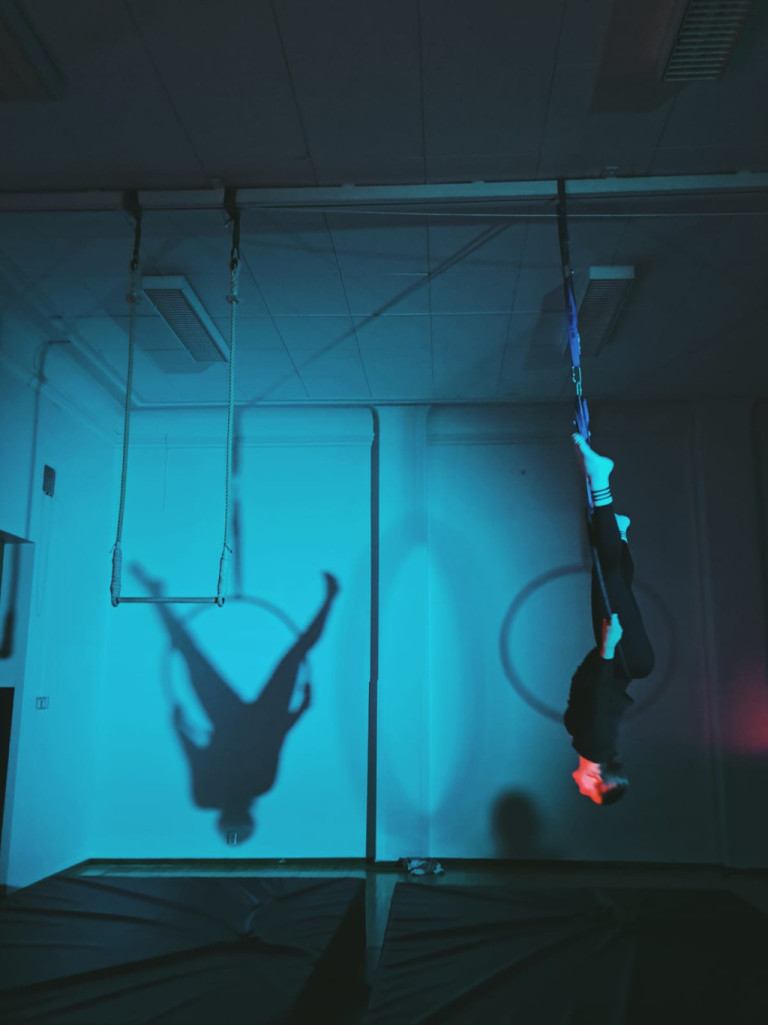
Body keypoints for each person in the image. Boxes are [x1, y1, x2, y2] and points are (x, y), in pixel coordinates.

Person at [131, 564, 339, 840]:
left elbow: (195, 755)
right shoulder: (251, 786)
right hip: (256, 718)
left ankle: (155, 592)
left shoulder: (209, 794)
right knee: (291, 655)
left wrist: (180, 727)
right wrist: (301, 708)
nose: (235, 811)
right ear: (247, 815)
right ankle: (331, 598)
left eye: (232, 816)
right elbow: (275, 737)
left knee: (191, 652)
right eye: (239, 816)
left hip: (229, 719)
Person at [564, 435, 654, 805]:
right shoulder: (595, 745)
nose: (583, 791)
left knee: (615, 583)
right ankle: (601, 479)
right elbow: (600, 700)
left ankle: (620, 531)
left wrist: (603, 654)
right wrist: (607, 649)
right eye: (591, 793)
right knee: (606, 574)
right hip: (619, 656)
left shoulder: (591, 745)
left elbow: (596, 696)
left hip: (627, 660)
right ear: (597, 778)